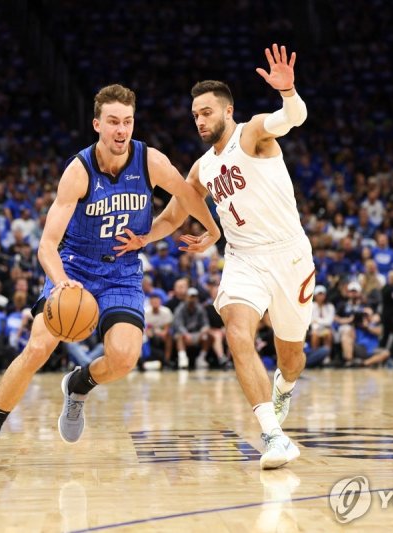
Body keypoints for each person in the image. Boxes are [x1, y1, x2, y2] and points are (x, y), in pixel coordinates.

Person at [0, 84, 221, 472]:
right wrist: (61, 280)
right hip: (75, 268)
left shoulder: (150, 161)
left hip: (121, 272)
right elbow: (47, 244)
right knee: (37, 347)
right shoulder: (78, 172)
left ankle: (79, 384)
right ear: (97, 124)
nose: (121, 130)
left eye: (128, 122)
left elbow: (187, 197)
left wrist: (205, 230)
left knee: (125, 357)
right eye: (113, 121)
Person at [115, 44, 312, 469]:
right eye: (195, 115)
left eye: (206, 112)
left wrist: (289, 91)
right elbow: (172, 216)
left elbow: (292, 118)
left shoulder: (253, 134)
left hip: (290, 256)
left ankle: (283, 386)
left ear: (228, 111)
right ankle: (273, 436)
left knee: (291, 355)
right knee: (237, 331)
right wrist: (141, 239)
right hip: (243, 258)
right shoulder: (201, 168)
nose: (200, 120)